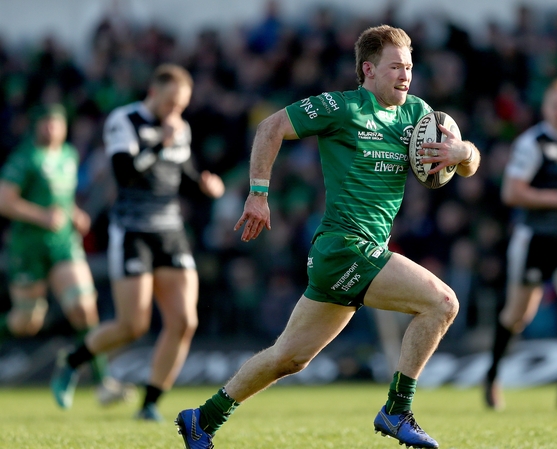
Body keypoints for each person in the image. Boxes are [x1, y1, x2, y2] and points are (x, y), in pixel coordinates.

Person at [175, 25, 480, 449]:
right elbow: (270, 127)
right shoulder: (343, 107)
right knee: (442, 302)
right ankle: (397, 409)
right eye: (395, 67)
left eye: (409, 67)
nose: (405, 76)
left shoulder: (420, 116)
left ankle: (201, 419)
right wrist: (258, 195)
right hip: (344, 247)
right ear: (369, 70)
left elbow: (469, 162)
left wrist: (461, 153)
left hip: (357, 253)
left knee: (289, 358)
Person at [51, 64, 225, 421]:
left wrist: (205, 185)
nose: (176, 112)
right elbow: (124, 172)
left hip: (170, 230)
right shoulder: (124, 120)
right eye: (171, 103)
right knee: (133, 325)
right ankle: (71, 360)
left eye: (182, 106)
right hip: (133, 231)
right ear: (154, 93)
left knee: (184, 322)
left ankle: (149, 405)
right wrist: (162, 140)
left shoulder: (179, 128)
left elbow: (181, 173)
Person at [0, 104, 134, 407]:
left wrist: (73, 214)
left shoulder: (69, 156)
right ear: (36, 127)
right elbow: (5, 201)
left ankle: (102, 384)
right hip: (29, 247)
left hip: (63, 243)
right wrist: (42, 216)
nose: (50, 129)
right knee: (26, 322)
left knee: (84, 309)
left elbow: (61, 198)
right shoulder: (24, 159)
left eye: (55, 123)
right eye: (45, 123)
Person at [483, 79, 557, 410]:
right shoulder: (532, 143)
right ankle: (492, 376)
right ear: (545, 108)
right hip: (534, 237)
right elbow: (512, 192)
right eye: (554, 104)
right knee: (518, 314)